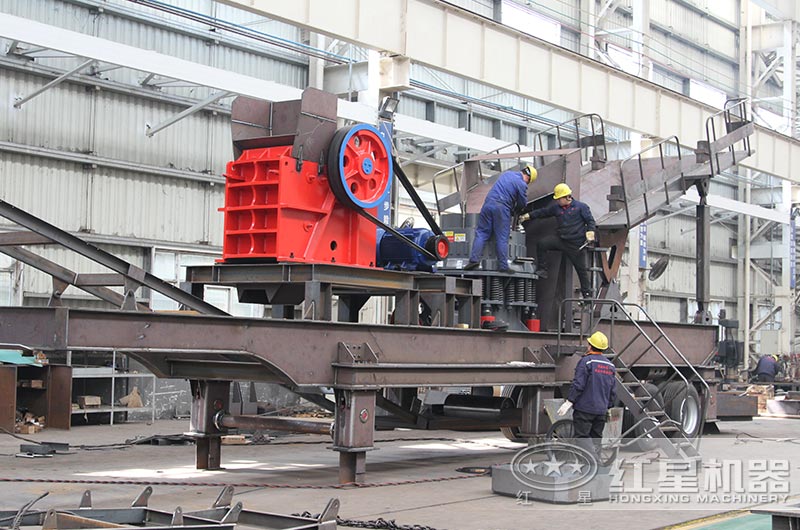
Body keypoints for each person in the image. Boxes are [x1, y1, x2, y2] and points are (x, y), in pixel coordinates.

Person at [521, 183, 596, 298]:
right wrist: (528, 216)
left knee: (582, 271)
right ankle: (543, 270)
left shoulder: (581, 207)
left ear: (567, 197)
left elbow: (590, 221)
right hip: (562, 240)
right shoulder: (557, 208)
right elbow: (543, 212)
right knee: (542, 244)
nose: (557, 201)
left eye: (559, 199)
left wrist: (590, 232)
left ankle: (587, 295)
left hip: (576, 245)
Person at [464, 165, 537, 272]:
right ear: (528, 178)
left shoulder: (507, 174)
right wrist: (516, 210)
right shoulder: (521, 184)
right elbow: (522, 203)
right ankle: (503, 266)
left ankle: (474, 260)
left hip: (487, 205)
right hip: (501, 208)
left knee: (482, 233)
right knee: (502, 237)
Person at [557, 331, 616, 460]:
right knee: (596, 438)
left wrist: (569, 401)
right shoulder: (610, 365)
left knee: (582, 438)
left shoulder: (586, 362)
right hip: (601, 410)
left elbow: (578, 384)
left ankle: (590, 464)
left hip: (585, 408)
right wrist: (608, 406)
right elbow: (612, 390)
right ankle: (596, 464)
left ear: (590, 346)